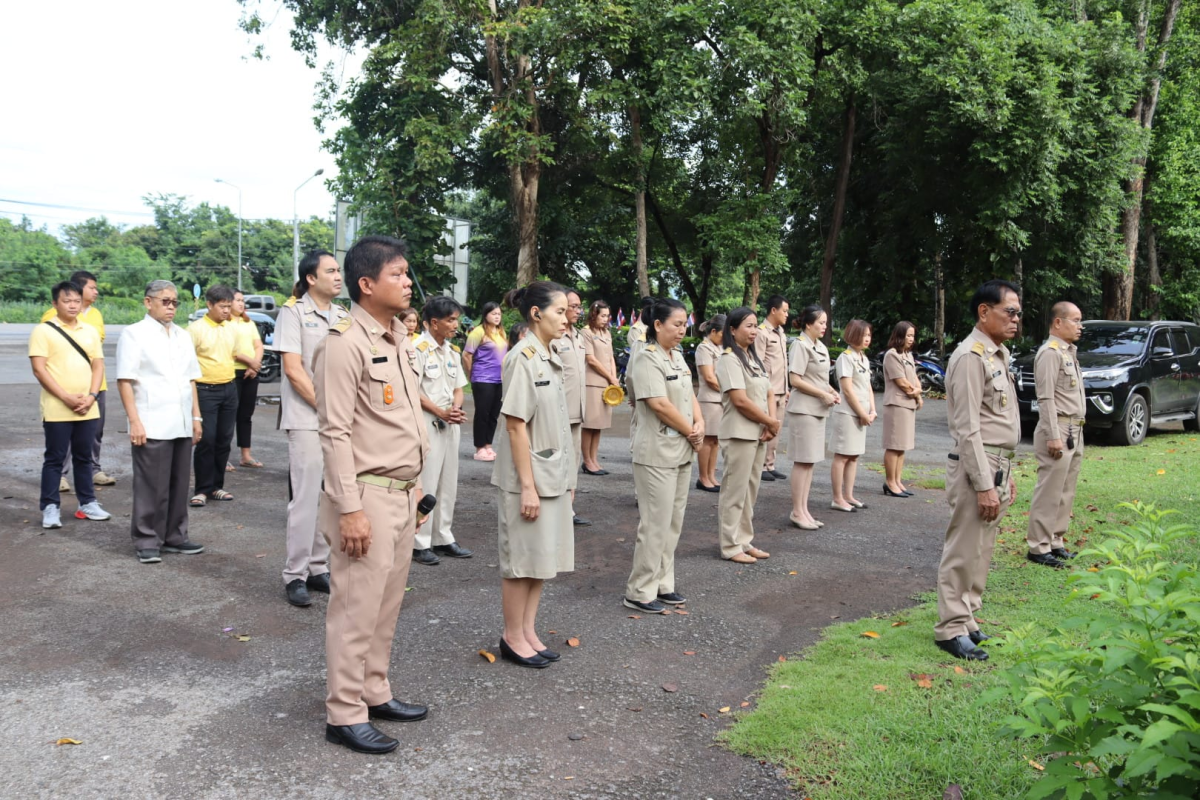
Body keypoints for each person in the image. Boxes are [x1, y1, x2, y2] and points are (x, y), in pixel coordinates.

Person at [315, 235, 431, 754]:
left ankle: (374, 689)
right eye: (398, 274)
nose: (408, 283)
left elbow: (403, 418)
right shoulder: (345, 342)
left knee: (385, 605)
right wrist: (351, 510)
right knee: (355, 608)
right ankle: (343, 712)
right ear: (366, 284)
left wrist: (418, 484)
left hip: (402, 493)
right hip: (366, 496)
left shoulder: (398, 338)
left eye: (407, 274)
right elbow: (335, 431)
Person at [934, 279, 1022, 661]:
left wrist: (1007, 474)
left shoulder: (997, 354)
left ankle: (968, 616)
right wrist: (986, 484)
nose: (1017, 319)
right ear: (984, 312)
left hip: (998, 462)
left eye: (1019, 313)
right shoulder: (971, 356)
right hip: (977, 465)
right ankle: (950, 627)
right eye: (1010, 311)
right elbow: (967, 428)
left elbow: (999, 420)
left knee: (982, 549)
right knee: (963, 547)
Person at [491, 281, 575, 669]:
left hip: (551, 473)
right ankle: (512, 636)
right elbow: (514, 426)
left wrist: (567, 479)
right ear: (536, 314)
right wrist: (528, 488)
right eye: (560, 311)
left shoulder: (549, 354)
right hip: (527, 479)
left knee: (542, 559)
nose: (567, 317)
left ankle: (528, 631)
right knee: (522, 561)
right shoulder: (522, 357)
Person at [623, 298, 704, 613]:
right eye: (676, 324)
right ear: (657, 325)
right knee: (654, 524)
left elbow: (689, 394)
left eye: (685, 324)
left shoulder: (676, 356)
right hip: (656, 451)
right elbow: (658, 403)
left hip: (681, 449)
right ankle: (639, 590)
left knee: (673, 522)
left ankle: (662, 583)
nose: (683, 330)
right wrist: (691, 430)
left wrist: (700, 422)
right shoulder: (647, 357)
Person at [276, 250, 347, 607]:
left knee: (333, 497)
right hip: (307, 420)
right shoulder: (293, 313)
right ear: (311, 278)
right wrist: (325, 409)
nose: (338, 276)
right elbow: (293, 369)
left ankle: (319, 567)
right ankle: (295, 574)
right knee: (304, 500)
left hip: (339, 423)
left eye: (339, 270)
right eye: (330, 271)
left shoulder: (342, 315)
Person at [116, 280, 204, 563]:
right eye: (165, 301)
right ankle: (147, 540)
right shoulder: (134, 334)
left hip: (180, 419)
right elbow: (125, 381)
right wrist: (135, 421)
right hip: (151, 420)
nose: (171, 307)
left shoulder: (182, 335)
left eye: (175, 302)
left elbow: (191, 379)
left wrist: (196, 416)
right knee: (151, 485)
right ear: (148, 302)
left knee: (179, 484)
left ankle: (175, 536)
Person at [29, 281, 112, 529]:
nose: (73, 305)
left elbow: (98, 365)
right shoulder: (43, 331)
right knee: (54, 458)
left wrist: (92, 396)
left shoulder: (89, 331)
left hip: (88, 405)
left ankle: (87, 503)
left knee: (84, 457)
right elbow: (39, 369)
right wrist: (65, 397)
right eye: (67, 301)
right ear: (55, 304)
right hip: (57, 407)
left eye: (76, 300)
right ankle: (50, 507)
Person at [412, 296, 473, 566]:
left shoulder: (451, 351)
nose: (455, 325)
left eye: (456, 319)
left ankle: (442, 536)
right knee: (427, 479)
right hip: (428, 421)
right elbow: (412, 391)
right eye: (450, 320)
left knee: (448, 481)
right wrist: (440, 412)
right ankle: (419, 541)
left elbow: (459, 387)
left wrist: (456, 409)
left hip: (450, 421)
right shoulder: (418, 348)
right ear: (434, 322)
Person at [40, 270, 116, 489]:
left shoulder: (96, 315)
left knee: (93, 432)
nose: (96, 291)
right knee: (62, 435)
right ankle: (61, 475)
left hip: (95, 385)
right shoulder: (50, 317)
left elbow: (97, 354)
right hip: (65, 388)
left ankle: (94, 469)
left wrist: (93, 391)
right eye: (92, 287)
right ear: (78, 288)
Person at [716, 307, 780, 564]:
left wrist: (771, 423)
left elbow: (768, 393)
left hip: (758, 433)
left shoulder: (753, 358)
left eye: (755, 326)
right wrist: (770, 422)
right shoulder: (729, 359)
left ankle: (743, 539)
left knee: (750, 491)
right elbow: (740, 401)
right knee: (735, 490)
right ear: (732, 330)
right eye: (748, 326)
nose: (754, 331)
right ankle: (730, 545)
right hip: (739, 433)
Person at [1025, 301, 1086, 569]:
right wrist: (1052, 435)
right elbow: (1046, 397)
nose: (1080, 326)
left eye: (1080, 320)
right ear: (1058, 322)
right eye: (1075, 320)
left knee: (1065, 490)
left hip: (1075, 428)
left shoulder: (1068, 352)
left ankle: (1055, 540)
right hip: (1058, 428)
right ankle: (1038, 546)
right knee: (1049, 490)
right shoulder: (1050, 353)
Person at [786, 305, 839, 530]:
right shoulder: (800, 345)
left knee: (810, 462)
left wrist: (831, 390)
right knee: (802, 460)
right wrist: (822, 394)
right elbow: (795, 379)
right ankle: (797, 511)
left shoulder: (821, 347)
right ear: (808, 324)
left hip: (817, 409)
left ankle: (804, 509)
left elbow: (818, 377)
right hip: (804, 409)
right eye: (821, 323)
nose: (825, 327)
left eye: (826, 323)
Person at [188, 285, 239, 506]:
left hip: (229, 388)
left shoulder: (231, 328)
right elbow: (188, 366)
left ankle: (217, 486)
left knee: (224, 440)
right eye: (222, 306)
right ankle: (202, 489)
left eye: (229, 306)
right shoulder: (195, 330)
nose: (227, 311)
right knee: (206, 440)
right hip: (205, 390)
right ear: (209, 305)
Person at [829, 320, 876, 511]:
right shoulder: (845, 358)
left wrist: (872, 410)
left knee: (854, 456)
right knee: (842, 456)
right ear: (853, 335)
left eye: (869, 335)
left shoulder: (863, 358)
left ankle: (848, 495)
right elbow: (847, 390)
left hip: (862, 414)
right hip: (848, 414)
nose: (868, 339)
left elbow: (868, 387)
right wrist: (862, 413)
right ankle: (837, 498)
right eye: (864, 335)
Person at [554, 290, 591, 526]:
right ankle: (556, 509)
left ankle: (568, 509)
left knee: (573, 461)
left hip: (578, 411)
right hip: (559, 412)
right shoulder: (555, 337)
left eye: (579, 306)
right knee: (557, 461)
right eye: (573, 306)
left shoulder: (578, 336)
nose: (578, 310)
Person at [881, 321, 923, 497]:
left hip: (907, 404)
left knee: (902, 446)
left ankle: (898, 481)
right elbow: (902, 383)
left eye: (913, 336)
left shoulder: (907, 355)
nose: (911, 339)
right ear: (900, 336)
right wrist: (917, 393)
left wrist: (918, 393)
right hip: (897, 404)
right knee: (894, 445)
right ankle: (890, 482)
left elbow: (915, 380)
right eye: (909, 336)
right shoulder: (892, 355)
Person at [752, 295, 790, 482]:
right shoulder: (761, 332)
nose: (787, 315)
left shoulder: (780, 332)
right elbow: (758, 363)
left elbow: (783, 363)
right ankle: (759, 466)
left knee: (776, 429)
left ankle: (770, 464)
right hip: (768, 391)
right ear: (773, 310)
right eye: (784, 311)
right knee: (764, 427)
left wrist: (786, 386)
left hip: (781, 389)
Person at [463, 302, 506, 462]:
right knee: (482, 413)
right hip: (482, 378)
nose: (497, 316)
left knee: (494, 414)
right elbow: (466, 355)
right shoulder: (478, 332)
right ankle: (479, 447)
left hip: (499, 379)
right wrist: (471, 374)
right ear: (486, 314)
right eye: (493, 313)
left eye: (499, 314)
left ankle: (488, 445)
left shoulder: (501, 332)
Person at [580, 301, 619, 475]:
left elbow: (610, 357)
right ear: (594, 314)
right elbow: (591, 359)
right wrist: (609, 376)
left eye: (607, 316)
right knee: (589, 424)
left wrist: (614, 378)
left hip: (606, 383)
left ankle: (594, 459)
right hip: (592, 382)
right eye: (602, 315)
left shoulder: (606, 333)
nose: (605, 319)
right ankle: (587, 461)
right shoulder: (586, 332)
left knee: (599, 425)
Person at [230, 290, 265, 469]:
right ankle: (223, 456)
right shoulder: (225, 323)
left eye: (243, 301)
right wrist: (253, 363)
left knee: (245, 415)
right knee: (228, 416)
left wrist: (254, 365)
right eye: (237, 300)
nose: (241, 304)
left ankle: (246, 455)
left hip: (250, 373)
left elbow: (258, 345)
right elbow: (232, 350)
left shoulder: (247, 322)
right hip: (232, 373)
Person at [694, 315, 726, 492]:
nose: (725, 337)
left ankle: (712, 475)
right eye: (722, 333)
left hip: (720, 399)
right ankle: (703, 477)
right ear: (713, 331)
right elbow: (709, 377)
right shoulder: (703, 348)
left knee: (716, 441)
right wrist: (728, 390)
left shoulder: (720, 348)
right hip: (709, 399)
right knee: (707, 440)